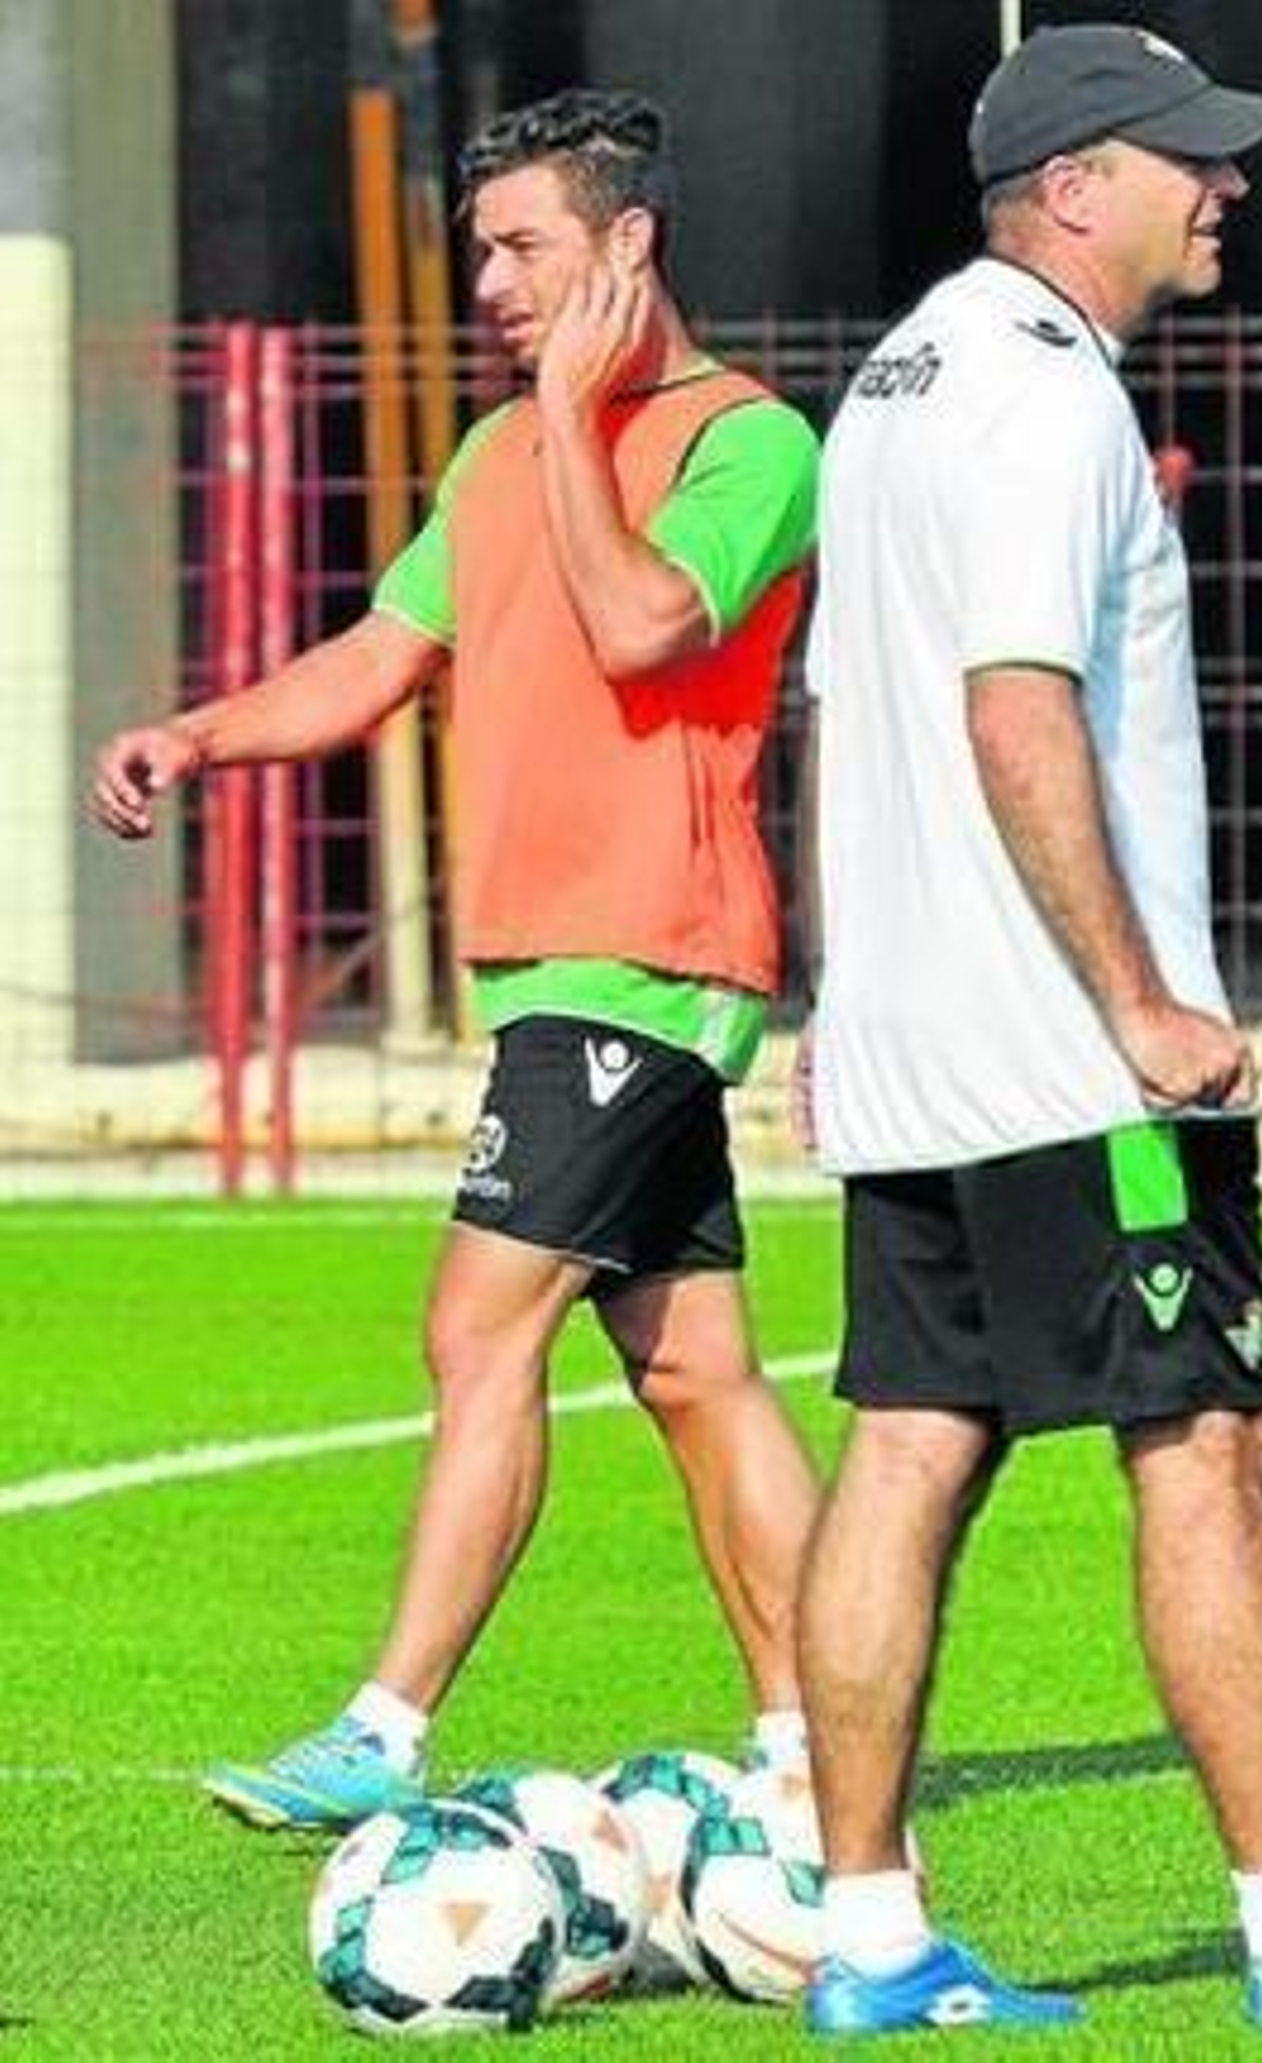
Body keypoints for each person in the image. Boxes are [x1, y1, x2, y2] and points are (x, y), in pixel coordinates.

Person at [795, 23, 1262, 2037]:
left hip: (921, 1048)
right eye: (1191, 159)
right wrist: (1139, 1005)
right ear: (1074, 185)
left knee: (908, 1443)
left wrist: (840, 992)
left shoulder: (896, 378)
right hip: (1066, 1057)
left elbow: (837, 711)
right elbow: (1013, 704)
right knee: (1208, 1446)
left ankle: (868, 1941)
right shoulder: (1044, 397)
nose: (1229, 188)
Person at [92, 88, 822, 1830]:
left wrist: (570, 413)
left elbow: (644, 625)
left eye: (521, 249)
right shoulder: (493, 458)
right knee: (694, 1371)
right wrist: (198, 736)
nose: (489, 284)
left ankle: (384, 1728)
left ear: (628, 246)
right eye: (478, 251)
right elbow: (379, 654)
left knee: (475, 1325)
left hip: (640, 954)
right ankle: (819, 1745)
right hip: (555, 970)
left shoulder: (752, 444)